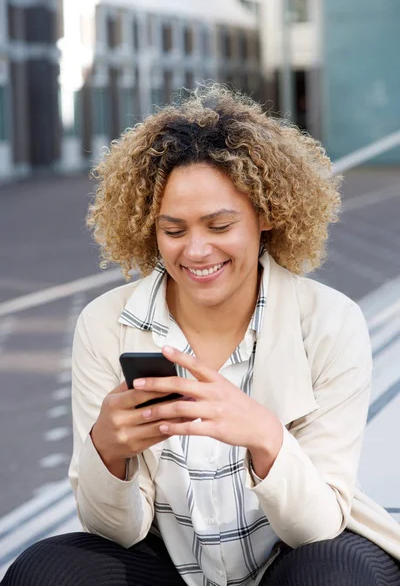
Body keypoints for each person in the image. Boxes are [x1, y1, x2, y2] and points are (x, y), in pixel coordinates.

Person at [3, 84, 400, 586]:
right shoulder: (106, 325)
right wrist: (107, 450)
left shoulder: (329, 320)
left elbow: (317, 527)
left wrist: (264, 436)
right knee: (46, 571)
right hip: (168, 563)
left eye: (219, 225)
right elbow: (111, 532)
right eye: (173, 231)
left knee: (332, 576)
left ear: (267, 214)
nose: (195, 251)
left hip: (297, 558)